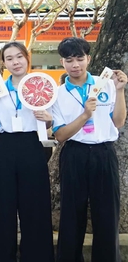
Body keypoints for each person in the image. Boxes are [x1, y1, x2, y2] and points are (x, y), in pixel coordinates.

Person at [51, 37, 127, 262]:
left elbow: (119, 122)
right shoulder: (59, 94)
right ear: (62, 62)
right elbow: (60, 135)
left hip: (104, 154)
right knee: (72, 215)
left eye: (80, 58)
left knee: (107, 215)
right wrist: (85, 115)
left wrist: (120, 90)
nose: (75, 65)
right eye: (69, 60)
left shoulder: (105, 84)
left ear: (89, 59)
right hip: (75, 154)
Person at [0, 42, 54, 261]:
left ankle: (36, 256)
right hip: (5, 146)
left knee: (35, 205)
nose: (15, 62)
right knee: (2, 206)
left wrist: (49, 120)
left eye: (19, 57)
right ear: (3, 63)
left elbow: (53, 124)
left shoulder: (43, 85)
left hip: (32, 146)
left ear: (27, 58)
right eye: (10, 58)